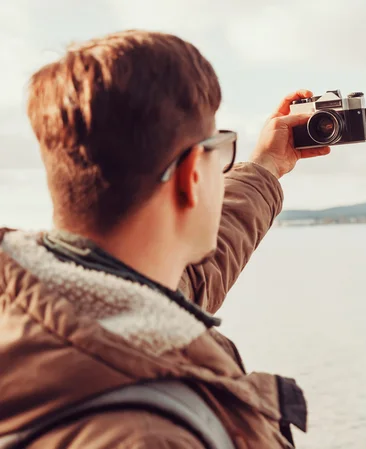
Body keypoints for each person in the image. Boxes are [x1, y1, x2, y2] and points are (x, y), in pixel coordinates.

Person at [0, 30, 330, 448]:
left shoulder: (43, 309)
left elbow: (189, 275)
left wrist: (267, 166)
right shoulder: (151, 436)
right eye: (220, 148)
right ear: (194, 174)